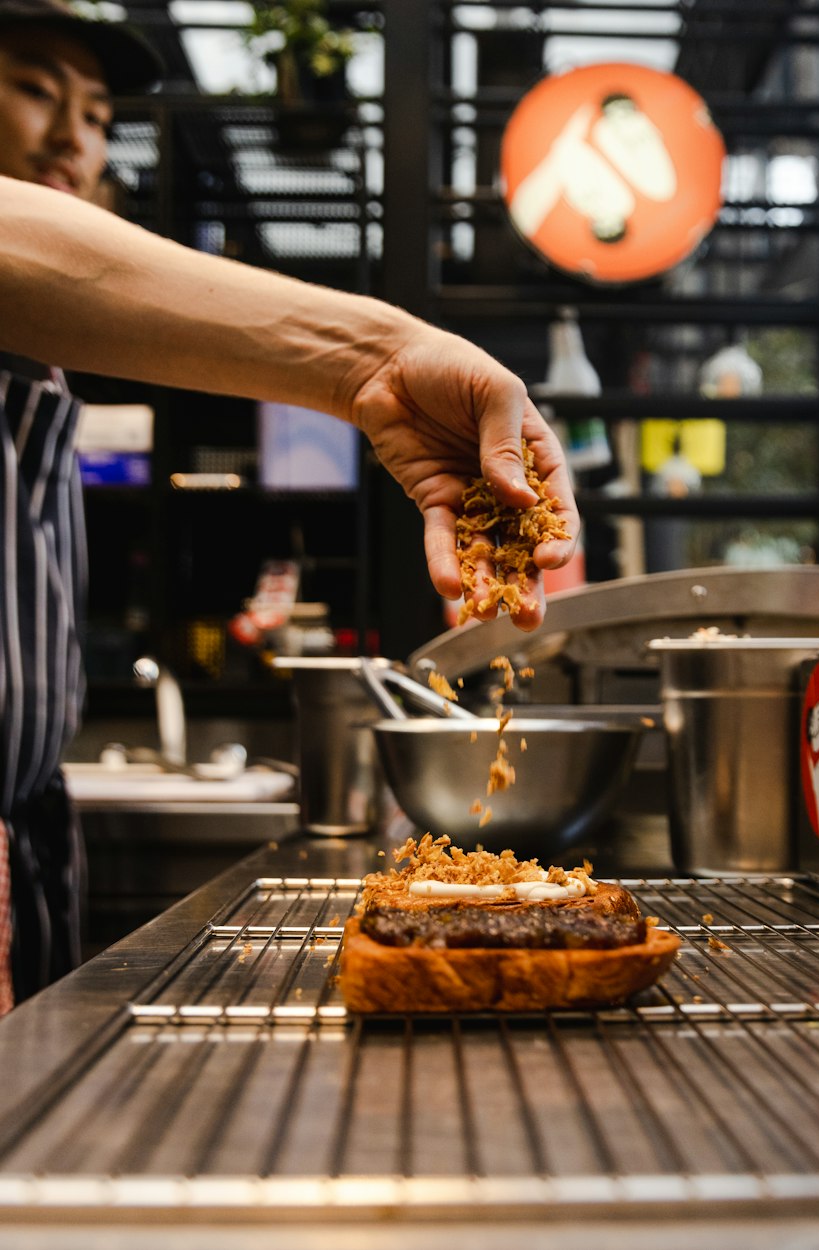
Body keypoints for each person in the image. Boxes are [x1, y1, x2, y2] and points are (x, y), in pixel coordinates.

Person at [0, 0, 579, 1012]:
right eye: (36, 88)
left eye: (96, 113)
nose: (73, 136)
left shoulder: (45, 357)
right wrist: (379, 354)